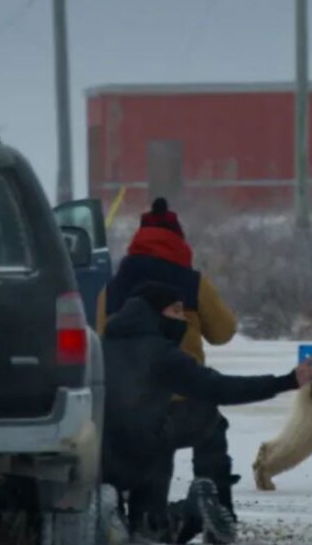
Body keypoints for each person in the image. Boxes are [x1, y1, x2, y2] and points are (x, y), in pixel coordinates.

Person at [101, 282, 312, 543]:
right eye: (177, 311)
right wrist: (287, 381)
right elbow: (220, 388)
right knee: (201, 414)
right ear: (155, 312)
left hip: (96, 459)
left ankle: (116, 518)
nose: (182, 319)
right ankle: (192, 511)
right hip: (144, 457)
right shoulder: (162, 354)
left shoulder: (98, 347)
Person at [96, 197, 245, 524]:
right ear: (179, 239)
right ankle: (216, 502)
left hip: (127, 410)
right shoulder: (191, 282)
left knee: (149, 471)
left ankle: (131, 516)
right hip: (184, 404)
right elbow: (223, 332)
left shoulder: (112, 287)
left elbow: (100, 338)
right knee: (211, 427)